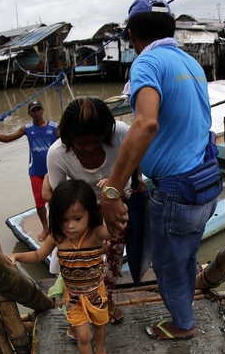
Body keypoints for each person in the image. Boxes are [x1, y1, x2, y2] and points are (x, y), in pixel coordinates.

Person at [100, 0, 220, 341]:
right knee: (185, 257)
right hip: (206, 183)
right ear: (170, 29)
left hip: (178, 192)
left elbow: (146, 124)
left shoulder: (147, 63)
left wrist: (112, 191)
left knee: (168, 267)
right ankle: (185, 312)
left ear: (132, 34)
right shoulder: (190, 63)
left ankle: (182, 325)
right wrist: (138, 176)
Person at [44, 97, 147, 325]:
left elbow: (136, 151)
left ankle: (106, 299)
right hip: (85, 207)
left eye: (96, 141)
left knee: (113, 257)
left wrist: (136, 176)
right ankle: (80, 298)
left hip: (119, 198)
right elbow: (58, 199)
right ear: (69, 138)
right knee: (84, 256)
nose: (90, 147)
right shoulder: (57, 154)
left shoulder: (119, 132)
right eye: (83, 144)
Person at [6, 180, 111, 354]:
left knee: (99, 324)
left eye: (77, 218)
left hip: (95, 293)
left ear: (90, 214)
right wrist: (16, 255)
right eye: (64, 219)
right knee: (83, 335)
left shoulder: (97, 234)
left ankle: (100, 349)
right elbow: (38, 255)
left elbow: (116, 229)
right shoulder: (58, 237)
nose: (70, 225)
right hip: (72, 297)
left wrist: (112, 196)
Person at [0, 100, 58, 241]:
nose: (36, 113)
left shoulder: (55, 127)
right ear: (29, 113)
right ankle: (45, 227)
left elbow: (67, 141)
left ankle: (58, 224)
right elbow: (7, 139)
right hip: (36, 171)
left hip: (53, 170)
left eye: (38, 110)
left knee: (57, 199)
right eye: (33, 111)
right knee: (40, 202)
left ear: (42, 110)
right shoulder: (27, 129)